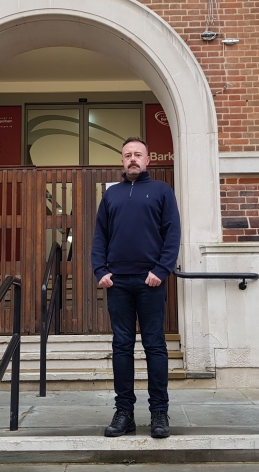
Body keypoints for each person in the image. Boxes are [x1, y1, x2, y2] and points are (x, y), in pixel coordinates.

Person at [91, 136, 181, 439]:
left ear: (148, 159)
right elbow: (100, 236)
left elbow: (172, 234)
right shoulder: (111, 195)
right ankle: (124, 413)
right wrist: (100, 270)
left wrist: (161, 269)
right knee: (121, 346)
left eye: (138, 154)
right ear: (121, 160)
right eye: (127, 154)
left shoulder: (162, 191)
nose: (132, 159)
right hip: (117, 282)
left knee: (155, 346)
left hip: (150, 281)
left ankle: (159, 413)